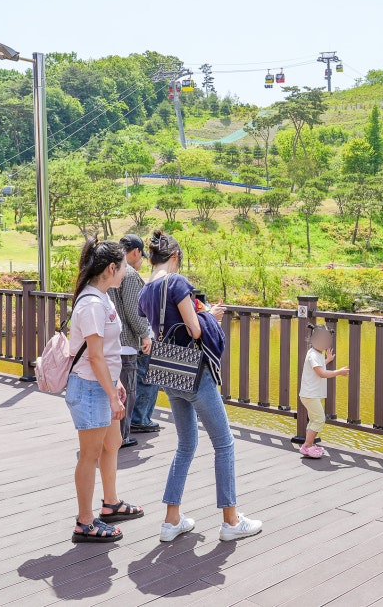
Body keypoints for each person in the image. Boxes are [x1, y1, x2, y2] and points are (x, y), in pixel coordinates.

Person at [138, 230, 263, 542]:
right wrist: (209, 315)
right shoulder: (177, 282)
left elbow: (162, 324)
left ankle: (171, 520)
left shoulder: (146, 290)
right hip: (194, 372)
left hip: (170, 372)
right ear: (176, 257)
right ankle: (231, 521)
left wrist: (200, 313)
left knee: (185, 445)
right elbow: (194, 330)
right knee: (224, 443)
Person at [67, 238, 143, 544]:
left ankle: (111, 504)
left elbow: (108, 352)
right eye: (124, 265)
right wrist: (111, 392)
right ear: (111, 268)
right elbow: (95, 356)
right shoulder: (91, 304)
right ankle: (85, 522)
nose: (127, 271)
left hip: (105, 383)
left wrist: (117, 383)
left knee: (112, 443)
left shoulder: (103, 297)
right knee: (90, 454)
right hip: (89, 387)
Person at [108, 234, 153, 450]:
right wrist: (145, 334)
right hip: (125, 343)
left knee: (111, 390)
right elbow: (134, 313)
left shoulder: (106, 267)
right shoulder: (131, 274)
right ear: (135, 252)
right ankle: (122, 436)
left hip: (107, 343)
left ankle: (109, 434)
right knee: (127, 391)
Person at [298, 324, 349, 458]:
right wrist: (339, 372)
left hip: (311, 394)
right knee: (319, 419)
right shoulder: (313, 355)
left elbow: (318, 366)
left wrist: (328, 360)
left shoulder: (316, 353)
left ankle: (307, 445)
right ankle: (307, 446)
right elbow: (321, 373)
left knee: (314, 419)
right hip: (310, 395)